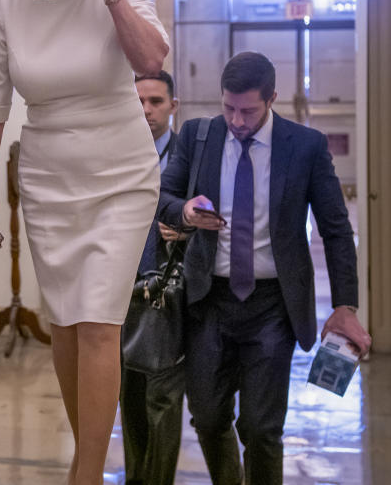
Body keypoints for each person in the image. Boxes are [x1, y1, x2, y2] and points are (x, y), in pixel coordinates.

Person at [0, 0, 169, 485]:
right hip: (49, 177)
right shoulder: (5, 4)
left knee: (100, 321)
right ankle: (92, 461)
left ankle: (84, 473)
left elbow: (151, 59)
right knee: (66, 327)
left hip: (121, 174)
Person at [157, 51, 371, 485]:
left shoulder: (305, 147)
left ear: (272, 98)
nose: (237, 120)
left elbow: (334, 228)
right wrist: (185, 210)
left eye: (248, 110)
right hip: (208, 300)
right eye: (229, 107)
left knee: (261, 427)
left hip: (273, 305)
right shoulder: (198, 135)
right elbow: (161, 196)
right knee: (208, 416)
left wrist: (346, 303)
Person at [119, 70, 185, 485]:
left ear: (172, 106)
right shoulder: (119, 157)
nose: (146, 110)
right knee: (130, 396)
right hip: (122, 293)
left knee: (162, 397)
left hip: (168, 294)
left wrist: (186, 226)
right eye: (139, 101)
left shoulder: (188, 157)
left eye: (156, 101)